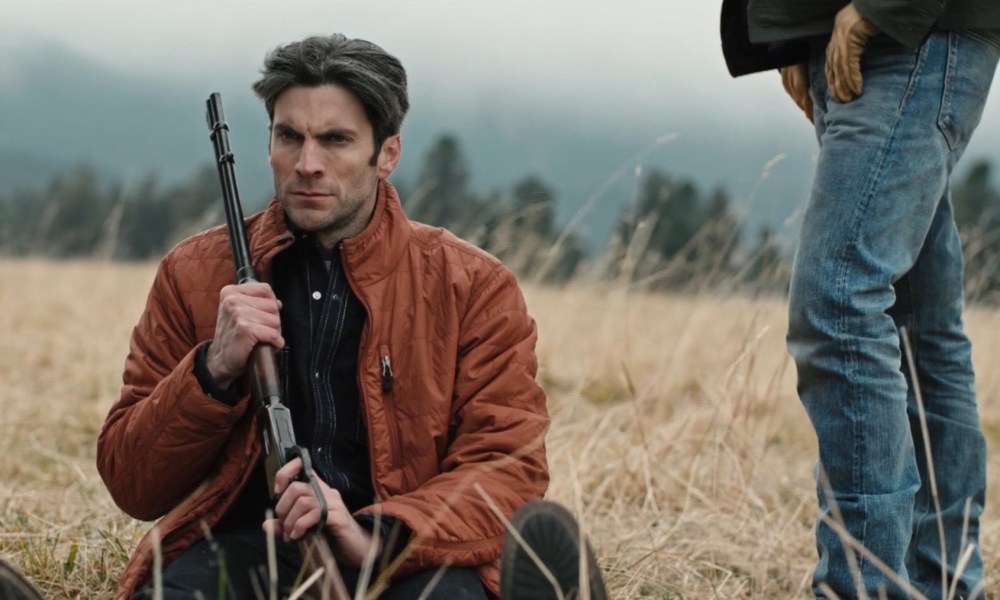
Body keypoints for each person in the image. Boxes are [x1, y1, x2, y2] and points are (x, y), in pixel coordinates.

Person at [96, 33, 553, 600]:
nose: (307, 164)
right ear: (268, 143)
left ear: (387, 153)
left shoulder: (472, 285)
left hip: (410, 553)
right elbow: (132, 482)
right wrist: (213, 371)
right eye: (289, 137)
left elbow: (507, 466)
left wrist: (375, 534)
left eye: (335, 140)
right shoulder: (193, 273)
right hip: (252, 547)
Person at [724, 1, 999, 598]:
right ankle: (941, 585)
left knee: (839, 302)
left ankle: (864, 586)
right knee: (918, 328)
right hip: (853, 37)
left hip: (906, 33)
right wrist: (788, 33)